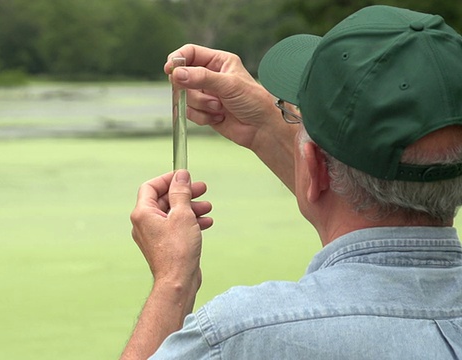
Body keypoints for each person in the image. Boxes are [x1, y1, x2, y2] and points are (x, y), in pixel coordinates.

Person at [121, 5, 462, 359]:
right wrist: (268, 128)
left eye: (293, 117)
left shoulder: (240, 337)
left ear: (312, 164)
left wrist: (174, 282)